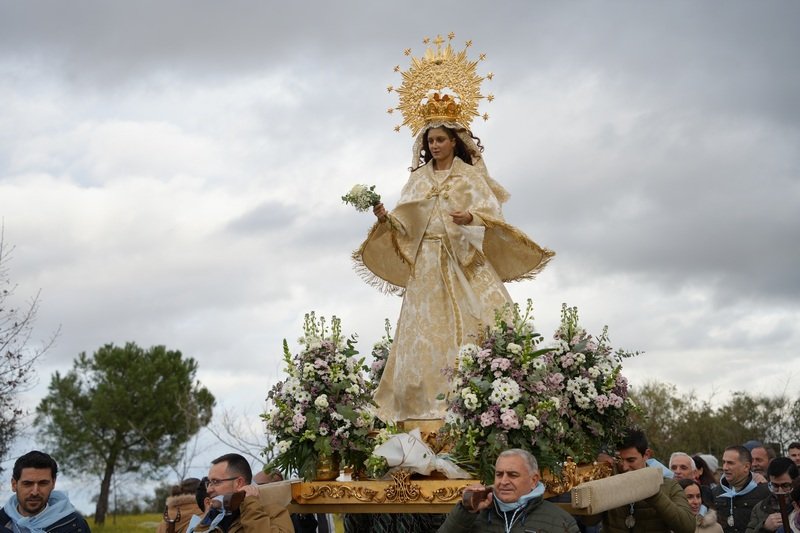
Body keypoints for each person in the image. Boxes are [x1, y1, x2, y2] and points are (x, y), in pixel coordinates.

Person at [354, 37, 553, 423]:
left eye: (441, 139)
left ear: (454, 140)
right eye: (430, 140)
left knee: (477, 328)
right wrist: (383, 216)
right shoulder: (418, 179)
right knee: (421, 337)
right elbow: (405, 223)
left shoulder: (469, 176)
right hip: (426, 266)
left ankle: (473, 401)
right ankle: (419, 407)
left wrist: (471, 220)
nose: (435, 145)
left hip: (462, 261)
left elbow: (492, 214)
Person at [437, 448, 579, 532]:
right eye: (499, 474)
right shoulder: (475, 513)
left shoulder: (561, 522)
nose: (504, 481)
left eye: (513, 475)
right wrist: (467, 511)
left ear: (534, 480)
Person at [600, 429, 694, 533]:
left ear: (646, 455)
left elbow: (688, 528)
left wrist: (654, 493)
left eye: (631, 460)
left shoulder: (669, 485)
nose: (624, 467)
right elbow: (589, 522)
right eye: (619, 460)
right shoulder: (608, 480)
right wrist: (599, 479)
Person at [188, 453, 293, 533]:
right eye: (209, 483)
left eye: (216, 482)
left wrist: (251, 507)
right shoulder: (215, 517)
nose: (209, 490)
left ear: (239, 483)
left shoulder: (273, 512)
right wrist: (209, 519)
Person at [0, 450, 91, 533]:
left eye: (43, 483)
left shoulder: (74, 525)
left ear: (53, 483)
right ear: (14, 484)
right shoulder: (2, 522)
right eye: (27, 484)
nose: (35, 492)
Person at [712, 445, 770, 533]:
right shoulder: (715, 493)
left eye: (730, 463)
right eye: (724, 462)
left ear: (746, 467)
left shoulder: (764, 492)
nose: (725, 468)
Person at [745, 457, 798, 533]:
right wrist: (764, 528)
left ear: (795, 482)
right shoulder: (759, 508)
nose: (780, 491)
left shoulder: (798, 505)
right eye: (775, 486)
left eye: (785, 485)